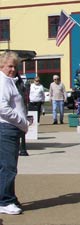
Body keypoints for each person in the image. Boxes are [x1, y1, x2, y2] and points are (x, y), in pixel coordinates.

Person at [0, 51, 30, 215]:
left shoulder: (9, 81)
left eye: (15, 66)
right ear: (2, 65)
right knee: (8, 167)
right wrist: (21, 121)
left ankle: (8, 197)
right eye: (10, 66)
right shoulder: (3, 81)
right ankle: (5, 201)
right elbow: (2, 107)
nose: (13, 69)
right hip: (7, 128)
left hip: (10, 128)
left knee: (6, 166)